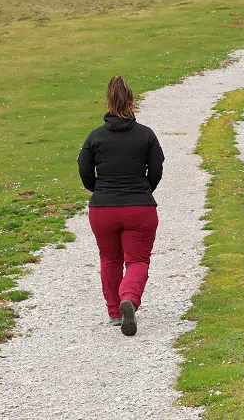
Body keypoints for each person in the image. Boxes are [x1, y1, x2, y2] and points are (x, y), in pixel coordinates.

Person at [78, 75, 164, 336]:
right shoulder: (146, 135)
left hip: (102, 208)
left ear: (107, 103)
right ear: (132, 103)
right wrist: (144, 190)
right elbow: (157, 169)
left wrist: (99, 191)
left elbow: (84, 171)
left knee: (110, 259)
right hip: (139, 207)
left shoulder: (95, 137)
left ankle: (115, 312)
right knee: (137, 260)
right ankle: (130, 298)